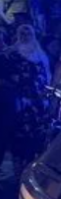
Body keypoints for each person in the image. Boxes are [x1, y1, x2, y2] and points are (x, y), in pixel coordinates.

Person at [0, 24, 50, 165]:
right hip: (16, 105)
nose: (25, 36)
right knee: (17, 138)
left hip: (37, 105)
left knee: (34, 137)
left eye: (28, 33)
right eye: (22, 33)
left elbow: (46, 77)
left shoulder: (40, 55)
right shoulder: (9, 55)